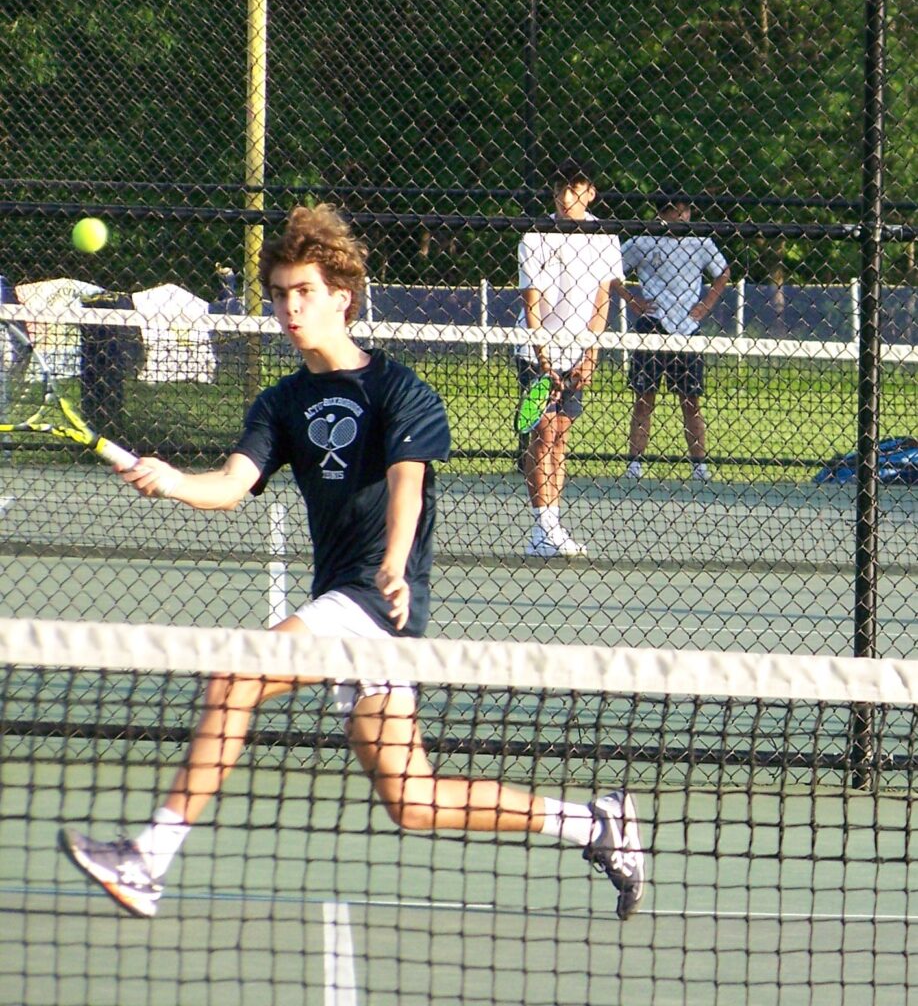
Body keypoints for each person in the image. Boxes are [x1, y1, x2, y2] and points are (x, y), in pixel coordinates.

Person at [58, 204, 645, 921]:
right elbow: (233, 484)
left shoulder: (401, 391)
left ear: (342, 297)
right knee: (414, 800)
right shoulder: (280, 402)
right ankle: (594, 823)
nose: (288, 307)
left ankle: (148, 859)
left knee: (234, 677)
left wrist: (395, 561)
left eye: (303, 292)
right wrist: (172, 479)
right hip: (351, 603)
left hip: (373, 598)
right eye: (278, 294)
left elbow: (408, 480)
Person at [516, 160, 623, 556]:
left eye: (575, 189)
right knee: (543, 435)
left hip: (579, 350)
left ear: (590, 192)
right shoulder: (535, 236)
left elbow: (602, 299)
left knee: (560, 437)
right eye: (560, 188)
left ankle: (552, 526)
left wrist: (590, 354)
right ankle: (543, 529)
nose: (565, 198)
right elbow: (533, 305)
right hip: (536, 350)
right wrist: (544, 360)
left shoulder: (604, 238)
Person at [612, 191, 730, 481]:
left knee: (691, 401)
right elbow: (611, 269)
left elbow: (723, 272)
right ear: (661, 214)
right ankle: (634, 464)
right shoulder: (643, 240)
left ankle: (699, 465)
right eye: (674, 212)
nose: (681, 217)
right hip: (652, 326)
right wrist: (632, 300)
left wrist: (706, 304)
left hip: (688, 330)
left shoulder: (700, 241)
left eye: (685, 210)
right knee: (644, 399)